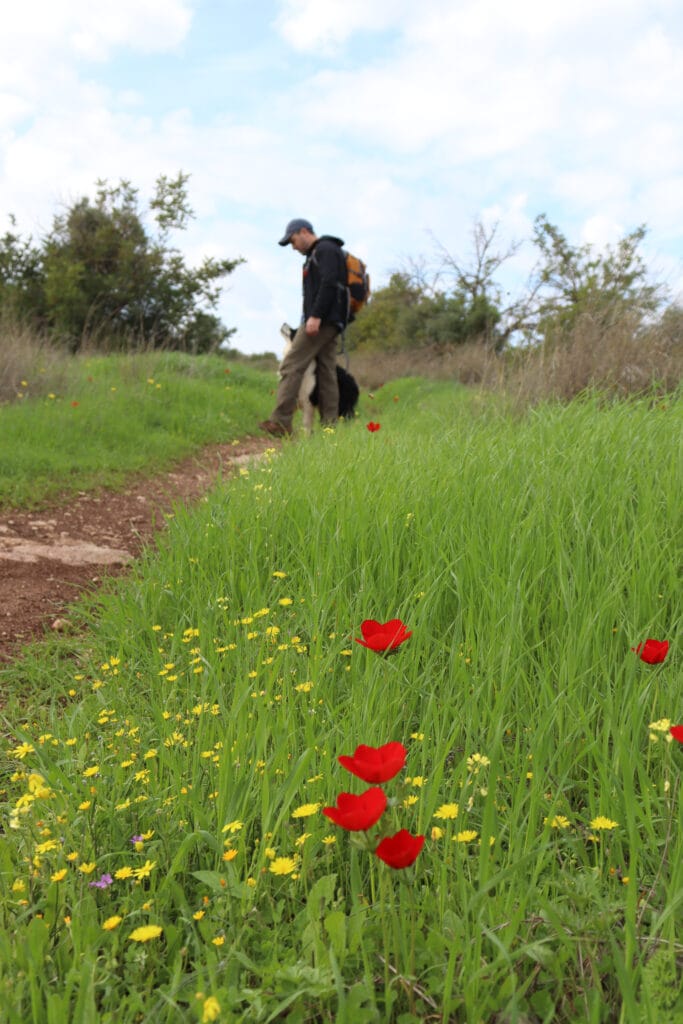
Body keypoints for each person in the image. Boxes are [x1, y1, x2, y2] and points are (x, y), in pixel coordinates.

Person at [259, 218, 347, 437]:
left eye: (293, 240)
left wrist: (315, 316)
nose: (293, 246)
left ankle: (281, 422)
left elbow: (329, 282)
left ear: (304, 232)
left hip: (322, 321)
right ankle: (330, 429)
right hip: (331, 321)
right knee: (327, 372)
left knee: (290, 365)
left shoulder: (325, 249)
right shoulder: (319, 253)